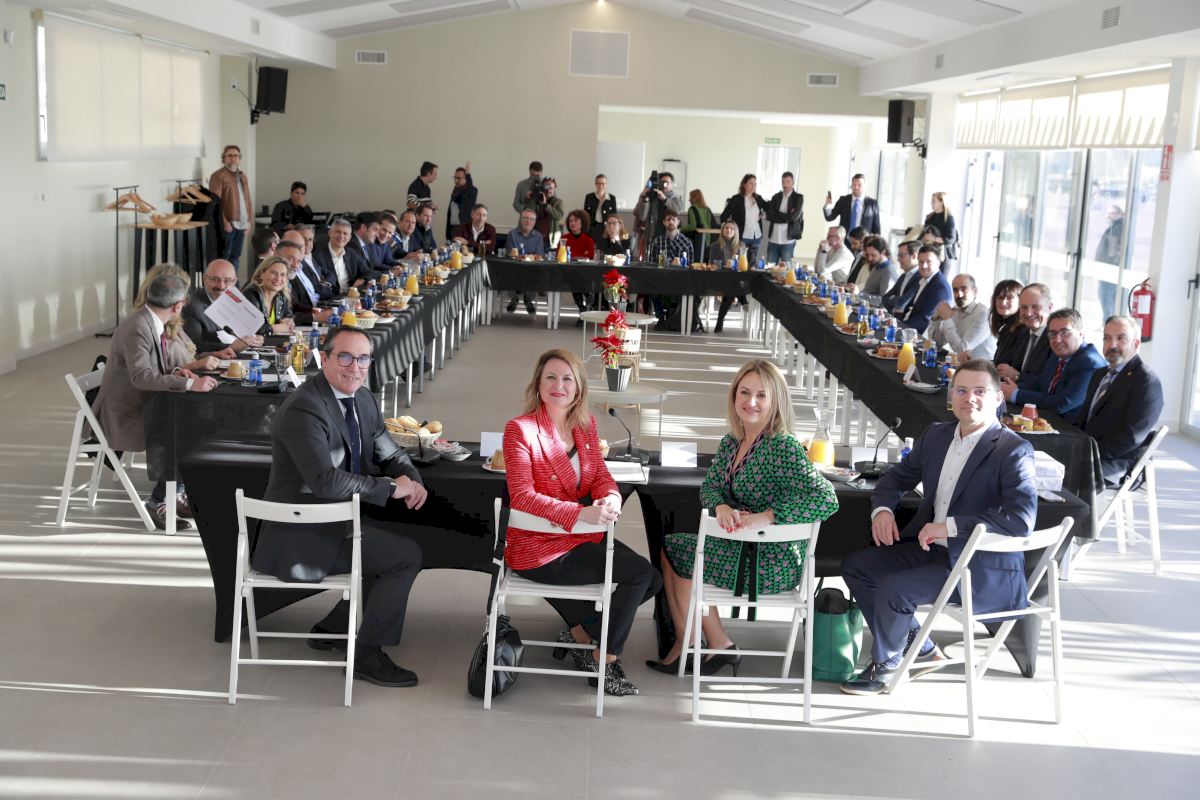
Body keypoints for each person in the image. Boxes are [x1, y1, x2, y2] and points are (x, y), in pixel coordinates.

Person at [840, 359, 1037, 695]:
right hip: (934, 552)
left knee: (894, 589)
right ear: (951, 396)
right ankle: (922, 648)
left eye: (980, 391)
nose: (969, 398)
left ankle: (887, 665)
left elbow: (1021, 520)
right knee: (858, 566)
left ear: (997, 398)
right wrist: (883, 511)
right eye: (961, 390)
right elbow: (894, 479)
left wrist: (951, 526)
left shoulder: (1013, 449)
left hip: (977, 567)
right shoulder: (936, 435)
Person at [252, 326, 434, 688]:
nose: (355, 367)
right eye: (345, 357)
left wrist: (411, 478)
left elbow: (388, 450)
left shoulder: (362, 398)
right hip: (301, 537)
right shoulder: (304, 407)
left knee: (396, 536)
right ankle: (367, 655)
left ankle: (334, 628)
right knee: (404, 555)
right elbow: (324, 480)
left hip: (338, 521)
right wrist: (389, 487)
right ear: (324, 358)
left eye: (363, 358)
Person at [651, 359, 838, 675]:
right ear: (734, 396)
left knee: (678, 550)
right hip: (743, 548)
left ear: (775, 401)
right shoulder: (732, 441)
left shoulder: (783, 446)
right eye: (745, 392)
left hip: (771, 561)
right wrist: (721, 507)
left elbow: (826, 498)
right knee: (674, 547)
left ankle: (703, 644)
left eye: (762, 395)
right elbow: (710, 487)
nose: (751, 402)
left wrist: (769, 516)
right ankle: (700, 643)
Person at [503, 349, 661, 696]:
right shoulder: (520, 429)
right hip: (538, 546)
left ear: (578, 388)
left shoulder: (585, 426)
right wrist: (579, 514)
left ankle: (580, 633)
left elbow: (600, 476)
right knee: (639, 575)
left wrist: (611, 496)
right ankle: (604, 660)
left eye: (567, 379)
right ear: (538, 383)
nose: (558, 385)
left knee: (652, 579)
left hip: (578, 538)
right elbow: (522, 497)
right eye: (550, 377)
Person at [91, 270, 220, 530]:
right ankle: (159, 501)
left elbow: (151, 370)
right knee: (188, 429)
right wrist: (188, 383)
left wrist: (176, 372)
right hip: (126, 416)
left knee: (203, 421)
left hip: (144, 403)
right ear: (178, 306)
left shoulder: (149, 321)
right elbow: (141, 378)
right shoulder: (138, 328)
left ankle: (176, 492)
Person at [1078, 315, 1164, 485]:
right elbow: (1085, 421)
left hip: (1119, 463)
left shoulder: (1146, 380)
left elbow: (1132, 437)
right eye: (1107, 338)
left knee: (1066, 474)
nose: (1112, 345)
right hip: (1089, 451)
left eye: (1121, 338)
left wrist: (1087, 453)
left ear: (1136, 344)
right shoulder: (1099, 375)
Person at [1001, 307, 1106, 418]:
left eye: (1065, 332)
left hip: (1072, 426)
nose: (1057, 340)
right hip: (1050, 420)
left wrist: (1016, 394)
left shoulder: (1090, 363)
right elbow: (1040, 383)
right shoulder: (1058, 356)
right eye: (1053, 334)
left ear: (1081, 334)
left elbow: (1063, 403)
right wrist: (1009, 388)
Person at [182, 259, 265, 354]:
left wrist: (253, 340)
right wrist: (231, 347)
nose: (221, 286)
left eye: (227, 281)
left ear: (234, 282)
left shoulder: (237, 300)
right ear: (205, 279)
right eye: (215, 279)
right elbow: (193, 345)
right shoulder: (191, 305)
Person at [926, 274, 996, 360]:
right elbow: (935, 346)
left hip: (982, 366)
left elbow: (962, 351)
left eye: (964, 289)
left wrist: (947, 319)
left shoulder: (983, 314)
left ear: (975, 291)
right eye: (955, 290)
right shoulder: (955, 311)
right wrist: (935, 319)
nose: (959, 295)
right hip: (961, 364)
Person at [995, 283, 1054, 383]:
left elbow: (1049, 383)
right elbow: (1002, 364)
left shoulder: (1055, 338)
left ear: (1049, 307)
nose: (1029, 313)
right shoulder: (1022, 333)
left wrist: (1017, 376)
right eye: (1024, 307)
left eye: (1035, 307)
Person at [209, 144, 253, 273]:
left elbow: (248, 199)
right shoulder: (218, 176)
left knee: (236, 256)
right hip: (228, 224)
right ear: (224, 158)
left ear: (239, 158)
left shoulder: (242, 176)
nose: (233, 158)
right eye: (230, 156)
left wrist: (249, 221)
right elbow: (215, 202)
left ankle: (233, 282)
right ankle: (222, 282)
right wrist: (224, 222)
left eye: (236, 156)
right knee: (224, 257)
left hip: (242, 224)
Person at [277, 238, 332, 326]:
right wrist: (314, 317)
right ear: (276, 256)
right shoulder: (272, 282)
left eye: (298, 261)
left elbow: (294, 305)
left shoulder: (287, 282)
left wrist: (316, 311)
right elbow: (283, 318)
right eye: (290, 259)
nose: (295, 265)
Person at [313, 218, 375, 294]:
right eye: (338, 232)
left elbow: (370, 272)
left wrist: (362, 279)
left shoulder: (351, 253)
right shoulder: (318, 256)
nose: (341, 236)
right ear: (330, 233)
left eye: (345, 233)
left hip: (352, 295)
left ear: (349, 238)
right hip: (332, 297)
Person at [898, 246, 951, 332]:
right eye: (921, 262)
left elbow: (924, 320)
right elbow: (912, 309)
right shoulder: (923, 279)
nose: (924, 266)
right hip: (909, 328)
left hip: (921, 335)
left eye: (928, 262)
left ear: (938, 263)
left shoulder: (940, 288)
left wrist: (899, 327)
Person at [242, 256, 296, 336]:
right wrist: (279, 327)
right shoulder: (251, 293)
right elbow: (255, 329)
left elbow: (289, 320)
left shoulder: (282, 296)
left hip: (272, 342)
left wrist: (289, 323)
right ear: (261, 273)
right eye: (273, 273)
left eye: (282, 275)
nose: (278, 278)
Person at [633, 171, 684, 255]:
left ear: (672, 184)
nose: (664, 185)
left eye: (666, 183)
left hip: (670, 238)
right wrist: (645, 198)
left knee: (667, 260)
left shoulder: (676, 198)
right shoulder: (651, 197)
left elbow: (677, 210)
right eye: (661, 182)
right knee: (651, 260)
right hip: (652, 236)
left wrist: (665, 200)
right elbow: (642, 216)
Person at [710, 220, 748, 334]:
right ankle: (743, 299)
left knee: (731, 287)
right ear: (722, 230)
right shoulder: (715, 246)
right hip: (719, 278)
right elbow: (711, 264)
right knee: (732, 286)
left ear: (735, 232)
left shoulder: (741, 245)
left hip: (735, 280)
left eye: (732, 228)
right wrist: (723, 266)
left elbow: (743, 265)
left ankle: (719, 321)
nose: (728, 230)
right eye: (726, 228)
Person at [505, 209, 543, 315]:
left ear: (535, 222)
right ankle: (514, 299)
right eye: (525, 218)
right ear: (520, 220)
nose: (528, 221)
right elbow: (511, 254)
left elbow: (539, 256)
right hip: (515, 267)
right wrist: (529, 256)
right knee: (507, 270)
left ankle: (528, 300)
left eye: (531, 219)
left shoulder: (539, 236)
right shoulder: (512, 234)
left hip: (532, 268)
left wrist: (524, 257)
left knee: (537, 272)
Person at [720, 174, 767, 256]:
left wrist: (764, 213)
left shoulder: (758, 198)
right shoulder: (736, 199)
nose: (753, 186)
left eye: (755, 184)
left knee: (753, 261)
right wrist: (729, 228)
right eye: (751, 183)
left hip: (756, 235)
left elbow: (768, 207)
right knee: (740, 260)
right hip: (742, 236)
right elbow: (724, 215)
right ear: (744, 184)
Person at [764, 171, 805, 264]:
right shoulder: (776, 197)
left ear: (793, 182)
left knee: (786, 269)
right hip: (773, 239)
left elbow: (794, 217)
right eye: (783, 182)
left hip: (788, 241)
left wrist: (776, 213)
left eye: (787, 181)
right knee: (769, 268)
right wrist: (787, 216)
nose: (785, 184)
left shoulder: (798, 198)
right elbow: (769, 216)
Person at [823, 174, 880, 239]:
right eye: (854, 185)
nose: (856, 187)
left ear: (865, 186)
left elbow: (876, 228)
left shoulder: (872, 204)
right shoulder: (843, 200)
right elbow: (830, 217)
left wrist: (876, 242)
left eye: (859, 185)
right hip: (844, 241)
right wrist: (827, 205)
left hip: (863, 242)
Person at [1094, 205, 1125, 316]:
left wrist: (1111, 264)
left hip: (1109, 269)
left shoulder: (1118, 228)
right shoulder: (1114, 227)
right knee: (1105, 297)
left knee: (1106, 297)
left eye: (1113, 213)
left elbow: (1114, 251)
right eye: (1109, 213)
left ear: (1120, 214)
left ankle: (1107, 321)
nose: (1109, 215)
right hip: (1106, 268)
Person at [988, 279, 1025, 368]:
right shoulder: (1005, 328)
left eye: (1009, 298)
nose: (1003, 302)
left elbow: (1004, 363)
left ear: (1020, 301)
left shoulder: (1023, 329)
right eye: (1000, 297)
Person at [881, 240, 921, 315]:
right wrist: (894, 307)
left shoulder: (920, 278)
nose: (898, 259)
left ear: (914, 256)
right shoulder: (903, 276)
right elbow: (884, 299)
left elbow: (901, 304)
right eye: (898, 256)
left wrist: (893, 298)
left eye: (901, 255)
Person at [924, 192, 959, 274]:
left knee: (940, 278)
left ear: (942, 202)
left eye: (933, 201)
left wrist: (934, 239)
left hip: (943, 256)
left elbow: (951, 239)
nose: (931, 203)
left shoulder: (949, 218)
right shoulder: (929, 217)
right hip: (930, 252)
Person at [682, 188, 717, 259]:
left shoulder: (692, 209)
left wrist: (681, 229)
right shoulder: (708, 209)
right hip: (710, 241)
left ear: (694, 198)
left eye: (690, 197)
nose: (689, 200)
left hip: (698, 240)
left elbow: (692, 226)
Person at [444, 163, 476, 240]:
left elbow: (469, 190)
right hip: (452, 230)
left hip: (464, 231)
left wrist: (468, 175)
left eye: (458, 178)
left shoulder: (472, 191)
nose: (456, 181)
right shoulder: (455, 192)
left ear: (466, 178)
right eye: (455, 178)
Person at [583, 174, 618, 242]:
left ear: (606, 184)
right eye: (599, 183)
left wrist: (613, 231)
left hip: (607, 229)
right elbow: (585, 215)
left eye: (603, 183)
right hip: (592, 229)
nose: (601, 186)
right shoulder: (589, 197)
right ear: (595, 184)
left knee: (605, 246)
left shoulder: (612, 198)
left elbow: (614, 216)